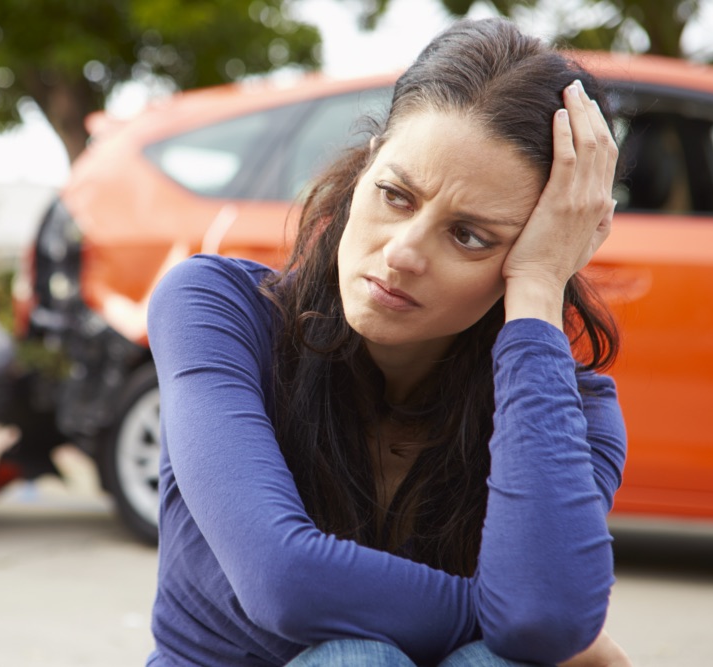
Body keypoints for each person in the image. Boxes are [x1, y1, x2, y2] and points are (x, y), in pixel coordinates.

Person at [145, 17, 630, 667]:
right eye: (396, 195)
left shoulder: (575, 412)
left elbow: (541, 617)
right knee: (360, 658)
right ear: (367, 163)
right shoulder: (218, 309)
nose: (402, 253)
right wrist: (500, 611)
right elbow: (283, 580)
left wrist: (540, 288)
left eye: (469, 236)